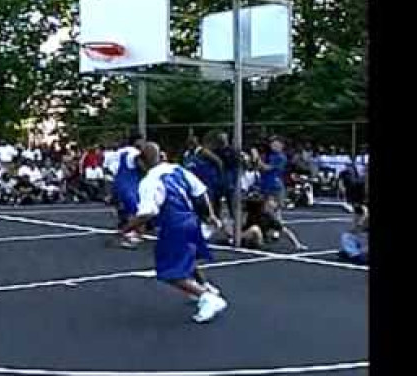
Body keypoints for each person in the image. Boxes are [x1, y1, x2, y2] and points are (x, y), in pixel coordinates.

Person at [119, 142, 227, 323]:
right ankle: (206, 287)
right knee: (187, 257)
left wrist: (126, 229)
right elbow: (201, 191)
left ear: (141, 163)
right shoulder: (177, 170)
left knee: (169, 271)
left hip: (174, 224)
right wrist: (211, 214)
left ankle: (207, 298)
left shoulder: (149, 181)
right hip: (191, 221)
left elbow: (148, 212)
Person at [240, 194, 308, 251]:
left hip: (257, 240)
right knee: (252, 229)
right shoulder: (249, 212)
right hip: (246, 238)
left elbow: (285, 231)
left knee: (255, 229)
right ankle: (237, 239)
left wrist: (297, 244)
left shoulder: (268, 218)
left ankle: (258, 243)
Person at [112, 135, 146, 248]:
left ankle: (127, 230)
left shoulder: (120, 152)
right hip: (130, 183)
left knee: (127, 209)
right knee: (137, 210)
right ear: (137, 141)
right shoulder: (136, 153)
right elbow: (141, 166)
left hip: (119, 182)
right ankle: (133, 235)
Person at [253, 136, 288, 220]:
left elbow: (267, 168)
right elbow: (259, 167)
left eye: (276, 144)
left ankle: (276, 225)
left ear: (281, 145)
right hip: (265, 184)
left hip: (274, 185)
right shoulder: (268, 155)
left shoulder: (281, 157)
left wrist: (257, 157)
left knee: (272, 207)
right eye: (272, 143)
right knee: (266, 208)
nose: (273, 146)